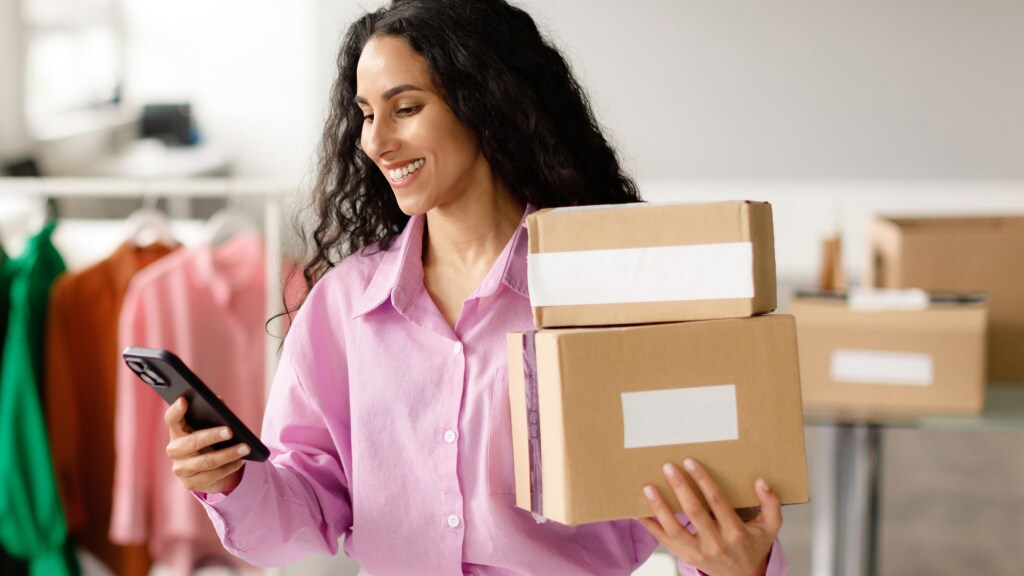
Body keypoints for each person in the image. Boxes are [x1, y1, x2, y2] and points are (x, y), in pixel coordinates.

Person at [163, 1, 788, 574]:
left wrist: (742, 564)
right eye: (366, 114)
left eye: (406, 108)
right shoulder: (344, 305)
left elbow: (700, 500)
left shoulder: (607, 289)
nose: (376, 141)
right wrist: (230, 482)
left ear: (485, 103)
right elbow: (299, 518)